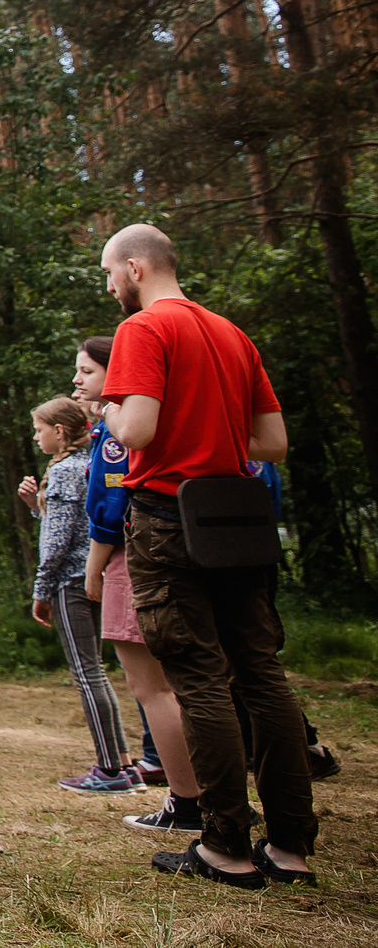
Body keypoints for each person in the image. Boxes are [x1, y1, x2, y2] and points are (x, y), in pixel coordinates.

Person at [99, 223, 314, 888]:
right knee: (260, 673)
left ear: (134, 267)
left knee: (197, 675)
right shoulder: (231, 334)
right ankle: (291, 845)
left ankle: (224, 843)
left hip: (168, 519)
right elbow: (272, 440)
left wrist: (102, 411)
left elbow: (136, 427)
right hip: (237, 518)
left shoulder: (143, 329)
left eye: (109, 273)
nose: (110, 287)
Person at [80, 335, 207, 826]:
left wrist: (94, 568)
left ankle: (188, 800)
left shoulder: (117, 435)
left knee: (152, 686)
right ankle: (206, 795)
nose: (78, 380)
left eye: (87, 371)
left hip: (130, 560)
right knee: (184, 682)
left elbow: (111, 510)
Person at [24, 387, 131, 790]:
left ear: (58, 430)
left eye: (38, 430)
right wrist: (39, 509)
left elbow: (57, 542)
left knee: (87, 673)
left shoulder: (65, 472)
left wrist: (41, 589)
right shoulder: (91, 464)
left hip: (71, 581)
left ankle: (110, 768)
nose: (36, 438)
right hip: (95, 576)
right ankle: (121, 758)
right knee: (98, 672)